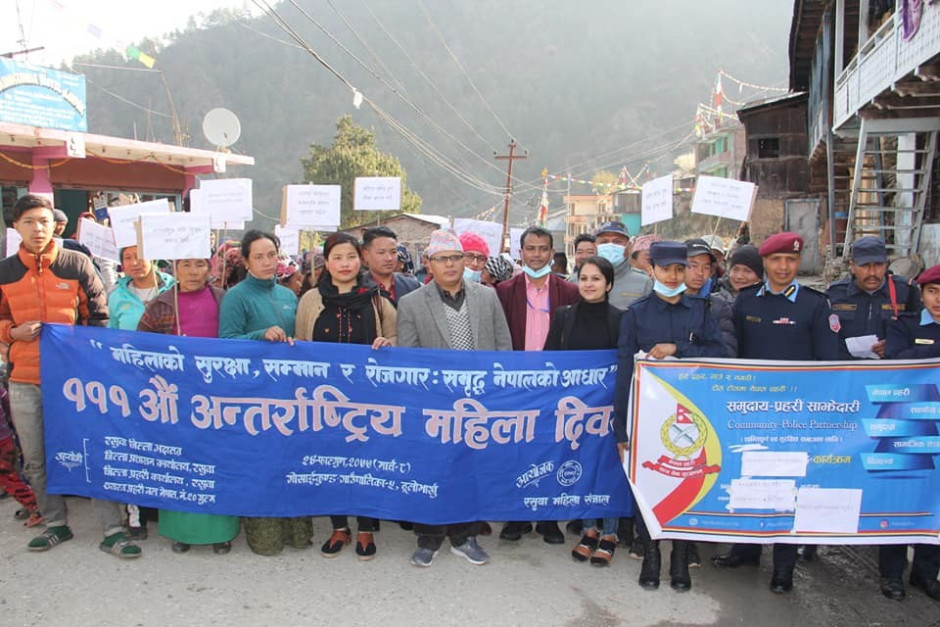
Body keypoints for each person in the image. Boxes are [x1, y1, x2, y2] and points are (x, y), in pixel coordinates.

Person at [0, 194, 139, 558]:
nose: (38, 228)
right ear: (16, 227)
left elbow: (99, 317)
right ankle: (54, 524)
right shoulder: (5, 271)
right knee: (35, 457)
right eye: (29, 222)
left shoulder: (76, 263)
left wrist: (85, 355)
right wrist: (12, 333)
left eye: (44, 221)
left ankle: (112, 529)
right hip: (25, 380)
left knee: (90, 450)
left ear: (54, 226)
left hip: (76, 381)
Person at [713, 232, 839, 594]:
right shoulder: (745, 302)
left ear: (798, 263)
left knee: (788, 486)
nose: (784, 267)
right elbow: (732, 354)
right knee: (749, 477)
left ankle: (784, 567)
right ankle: (745, 550)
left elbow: (829, 363)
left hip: (795, 417)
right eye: (776, 260)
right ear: (765, 264)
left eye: (791, 260)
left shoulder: (815, 305)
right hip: (751, 412)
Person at [614, 241, 726, 592]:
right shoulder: (636, 314)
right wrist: (621, 427)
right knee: (648, 483)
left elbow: (719, 352)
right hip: (647, 415)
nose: (674, 276)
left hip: (692, 414)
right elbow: (623, 370)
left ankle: (680, 557)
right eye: (666, 269)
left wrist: (680, 348)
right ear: (652, 270)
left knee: (688, 481)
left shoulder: (701, 311)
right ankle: (651, 556)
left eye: (681, 269)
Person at [397, 229, 511, 567]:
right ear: (429, 263)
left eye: (455, 258)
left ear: (465, 261)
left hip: (479, 401)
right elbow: (409, 358)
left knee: (471, 469)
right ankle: (428, 538)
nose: (449, 264)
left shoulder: (487, 297)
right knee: (432, 469)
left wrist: (497, 393)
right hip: (435, 405)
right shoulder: (411, 303)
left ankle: (465, 537)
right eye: (442, 259)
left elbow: (503, 347)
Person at [295, 232, 396, 561]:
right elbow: (301, 345)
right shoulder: (310, 299)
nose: (344, 264)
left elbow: (396, 337)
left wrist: (388, 345)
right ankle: (339, 526)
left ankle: (366, 527)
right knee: (331, 461)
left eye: (350, 257)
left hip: (368, 398)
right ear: (326, 262)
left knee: (366, 462)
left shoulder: (376, 299)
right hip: (323, 399)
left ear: (360, 259)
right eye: (337, 257)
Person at [218, 229, 312, 556]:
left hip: (289, 394)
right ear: (246, 261)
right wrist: (259, 335)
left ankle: (297, 529)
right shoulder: (236, 296)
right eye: (258, 256)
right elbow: (226, 341)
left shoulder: (288, 295)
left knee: (290, 460)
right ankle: (264, 533)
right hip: (254, 396)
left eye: (271, 254)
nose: (267, 261)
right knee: (260, 464)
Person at [136, 257, 239, 555]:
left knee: (218, 462)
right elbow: (140, 351)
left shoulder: (225, 300)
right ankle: (180, 532)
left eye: (200, 265)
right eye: (186, 265)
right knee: (181, 462)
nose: (193, 272)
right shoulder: (160, 305)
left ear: (210, 268)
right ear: (175, 268)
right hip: (175, 399)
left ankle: (222, 532)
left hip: (219, 398)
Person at [496, 226, 579, 544]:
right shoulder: (505, 291)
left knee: (552, 447)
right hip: (516, 384)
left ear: (552, 253)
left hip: (555, 385)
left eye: (543, 249)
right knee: (515, 449)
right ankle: (515, 516)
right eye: (530, 248)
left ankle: (548, 517)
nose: (536, 254)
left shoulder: (568, 291)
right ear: (521, 252)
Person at [544, 256, 623, 566]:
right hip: (573, 410)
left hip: (609, 410)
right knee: (581, 465)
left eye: (596, 279)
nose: (589, 284)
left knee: (608, 468)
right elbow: (549, 360)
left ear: (609, 284)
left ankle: (611, 533)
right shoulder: (563, 316)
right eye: (584, 278)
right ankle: (589, 529)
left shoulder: (621, 319)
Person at [827, 236, 921, 360]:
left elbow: (922, 332)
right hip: (847, 366)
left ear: (886, 265)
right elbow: (825, 336)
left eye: (878, 265)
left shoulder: (906, 291)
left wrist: (895, 344)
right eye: (865, 265)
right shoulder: (835, 294)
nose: (872, 273)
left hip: (891, 365)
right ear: (852, 266)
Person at [685, 238, 737, 358]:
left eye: (706, 267)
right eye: (693, 265)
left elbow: (727, 351)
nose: (700, 272)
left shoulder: (718, 307)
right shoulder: (662, 304)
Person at [0, 385, 42, 527]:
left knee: (7, 478)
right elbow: (7, 401)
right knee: (14, 474)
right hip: (6, 437)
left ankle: (35, 505)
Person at [109, 246, 175, 331]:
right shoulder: (117, 296)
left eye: (139, 256)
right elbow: (113, 332)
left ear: (152, 259)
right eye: (128, 258)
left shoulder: (174, 289)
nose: (134, 263)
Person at [594, 221, 653, 309]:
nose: (610, 246)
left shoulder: (644, 283)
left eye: (617, 241)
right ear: (595, 246)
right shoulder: (579, 281)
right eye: (604, 242)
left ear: (629, 247)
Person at [361, 226, 420, 305]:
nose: (389, 258)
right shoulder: (356, 288)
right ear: (365, 254)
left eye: (393, 252)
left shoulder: (412, 286)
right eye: (381, 252)